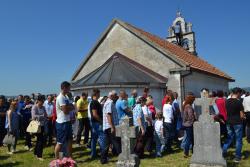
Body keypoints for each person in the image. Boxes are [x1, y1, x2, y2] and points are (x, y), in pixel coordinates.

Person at [222, 87, 245, 163]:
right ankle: (237, 157)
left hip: (229, 121)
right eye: (240, 93)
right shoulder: (238, 102)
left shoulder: (227, 101)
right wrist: (243, 117)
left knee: (229, 137)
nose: (241, 95)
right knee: (238, 140)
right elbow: (241, 115)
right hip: (237, 122)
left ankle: (223, 152)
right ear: (238, 93)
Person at [55, 81, 75, 159]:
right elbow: (65, 111)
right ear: (64, 88)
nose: (69, 90)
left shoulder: (66, 97)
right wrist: (70, 107)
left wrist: (69, 107)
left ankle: (70, 157)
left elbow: (71, 106)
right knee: (60, 143)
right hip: (62, 123)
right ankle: (58, 159)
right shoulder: (60, 97)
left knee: (70, 140)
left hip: (67, 121)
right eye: (69, 88)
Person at [101, 91, 120, 164]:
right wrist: (112, 127)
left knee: (106, 144)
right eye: (115, 96)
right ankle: (122, 157)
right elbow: (109, 115)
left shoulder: (107, 102)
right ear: (112, 96)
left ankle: (103, 159)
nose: (116, 97)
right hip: (110, 126)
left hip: (107, 126)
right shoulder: (110, 103)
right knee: (116, 142)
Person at [89, 88, 104, 159]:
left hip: (94, 123)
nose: (99, 95)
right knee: (101, 138)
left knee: (94, 139)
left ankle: (93, 154)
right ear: (96, 94)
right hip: (97, 123)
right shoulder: (94, 102)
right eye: (99, 93)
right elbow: (95, 114)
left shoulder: (94, 102)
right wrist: (101, 121)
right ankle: (103, 154)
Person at [31, 95, 47, 161]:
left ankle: (35, 152)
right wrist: (42, 116)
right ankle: (39, 155)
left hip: (42, 125)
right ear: (38, 101)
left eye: (43, 101)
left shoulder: (43, 107)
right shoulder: (34, 107)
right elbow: (33, 117)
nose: (43, 102)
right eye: (42, 101)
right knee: (40, 140)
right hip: (36, 126)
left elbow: (45, 115)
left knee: (39, 140)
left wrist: (43, 116)